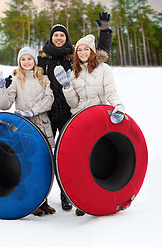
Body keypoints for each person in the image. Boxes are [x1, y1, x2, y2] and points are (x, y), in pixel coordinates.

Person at [37, 13, 112, 211]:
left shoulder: (74, 56)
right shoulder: (41, 58)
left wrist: (104, 31)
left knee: (69, 156)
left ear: (66, 38)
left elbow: (99, 54)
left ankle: (66, 195)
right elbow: (28, 73)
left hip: (70, 112)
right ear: (51, 38)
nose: (59, 38)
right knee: (43, 155)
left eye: (62, 35)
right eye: (56, 35)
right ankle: (40, 199)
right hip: (47, 113)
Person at [54, 34, 125, 216]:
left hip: (99, 121)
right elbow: (73, 104)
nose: (83, 52)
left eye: (86, 49)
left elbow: (110, 91)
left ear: (92, 51)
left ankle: (99, 199)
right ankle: (81, 201)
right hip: (80, 121)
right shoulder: (75, 72)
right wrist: (67, 87)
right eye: (79, 49)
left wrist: (118, 105)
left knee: (97, 159)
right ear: (76, 53)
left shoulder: (104, 69)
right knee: (80, 163)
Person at [0, 46, 56, 216]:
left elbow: (49, 99)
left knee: (46, 166)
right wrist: (1, 88)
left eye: (29, 58)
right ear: (19, 62)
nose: (26, 62)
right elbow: (4, 105)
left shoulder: (44, 79)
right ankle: (33, 203)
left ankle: (44, 202)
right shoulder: (16, 80)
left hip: (43, 126)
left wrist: (32, 111)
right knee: (29, 165)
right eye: (23, 59)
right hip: (25, 130)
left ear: (35, 61)